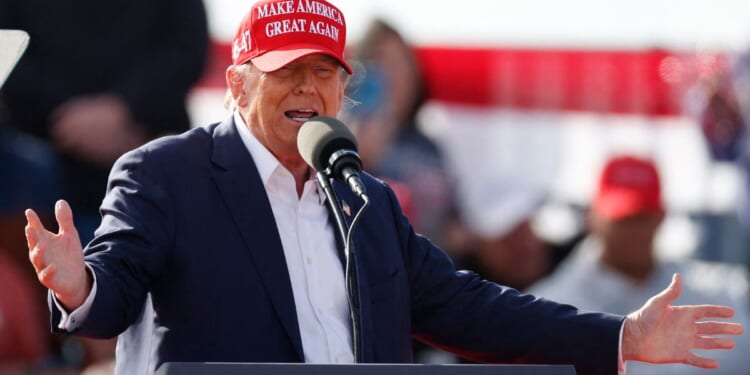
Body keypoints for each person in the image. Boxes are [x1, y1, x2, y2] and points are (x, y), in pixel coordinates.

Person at [24, 1, 742, 375]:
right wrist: (79, 280)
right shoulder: (164, 173)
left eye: (325, 72)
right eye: (286, 70)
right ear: (239, 85)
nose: (308, 86)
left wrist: (620, 336)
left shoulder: (359, 196)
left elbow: (470, 307)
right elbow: (110, 292)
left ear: (345, 89)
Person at [0, 0, 209, 242]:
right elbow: (8, 48)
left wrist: (122, 109)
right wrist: (75, 120)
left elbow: (187, 49)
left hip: (145, 142)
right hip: (39, 151)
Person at [528, 155, 750, 374]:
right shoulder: (549, 305)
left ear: (661, 216)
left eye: (642, 216)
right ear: (593, 217)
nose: (634, 231)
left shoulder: (714, 295)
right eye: (621, 218)